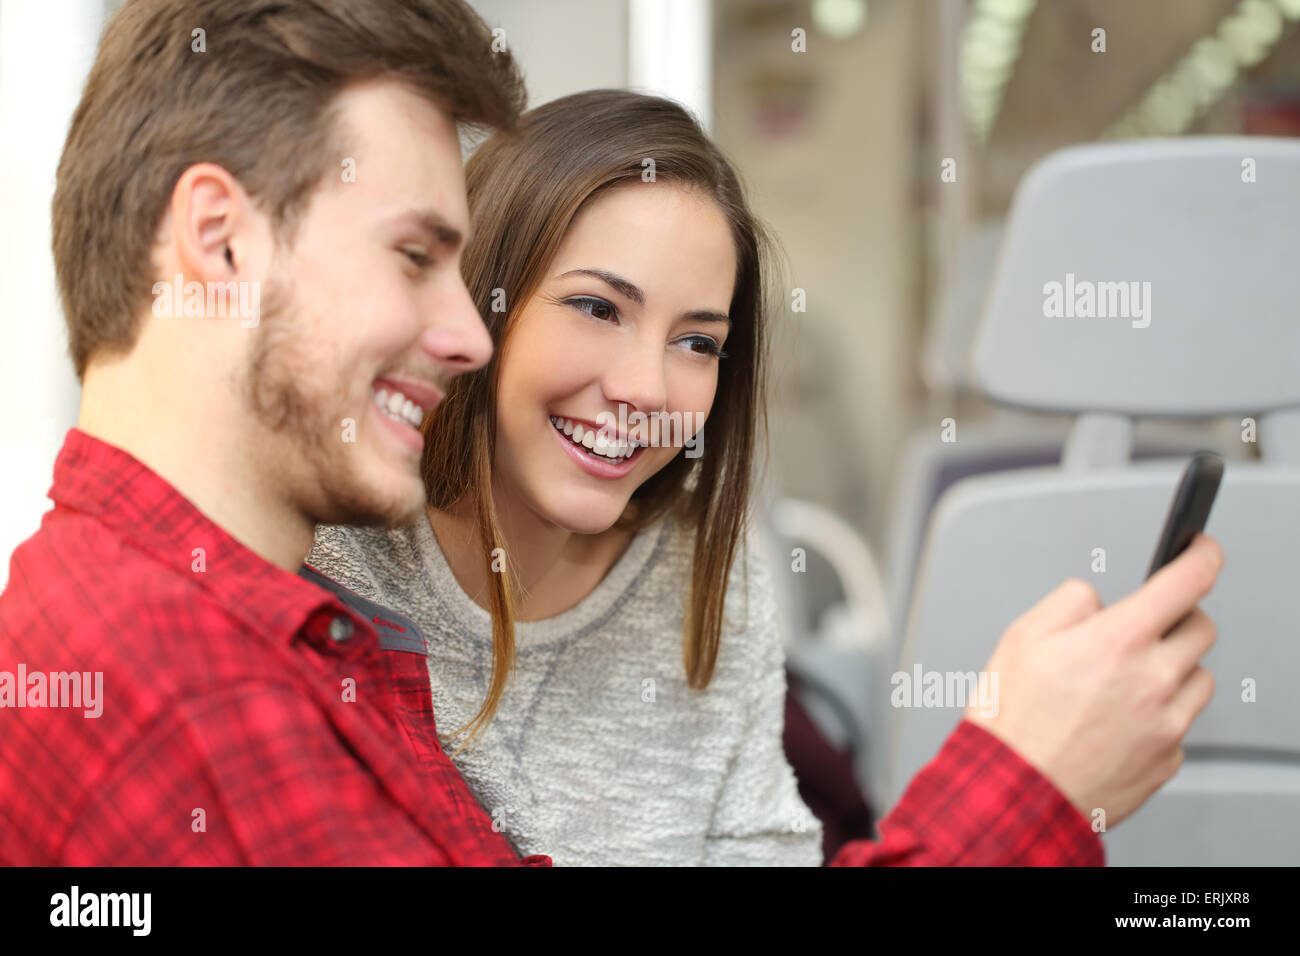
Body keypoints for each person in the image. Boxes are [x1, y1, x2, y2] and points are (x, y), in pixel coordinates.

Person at [308, 89, 1224, 865]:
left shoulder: (706, 561)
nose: (646, 389)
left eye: (697, 342)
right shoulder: (335, 564)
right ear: (481, 299)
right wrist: (1026, 787)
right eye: (596, 307)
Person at [0, 0, 549, 866]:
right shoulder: (161, 701)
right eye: (414, 256)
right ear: (219, 243)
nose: (470, 338)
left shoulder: (263, 641)